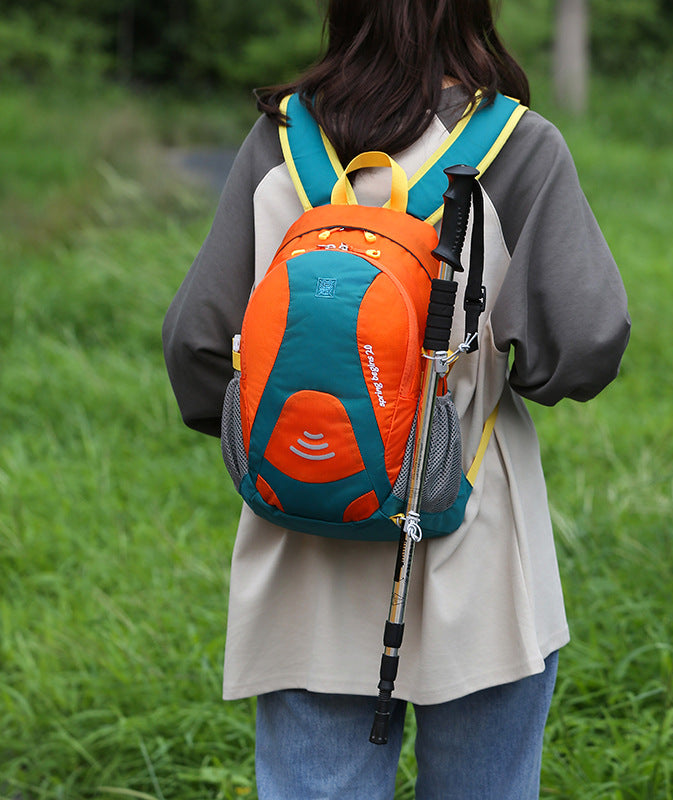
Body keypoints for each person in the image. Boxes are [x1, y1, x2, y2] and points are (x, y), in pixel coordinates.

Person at [162, 1, 630, 797]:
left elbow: (196, 343)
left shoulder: (280, 141)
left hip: (303, 549)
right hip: (475, 551)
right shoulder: (516, 147)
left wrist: (298, 442)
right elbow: (583, 343)